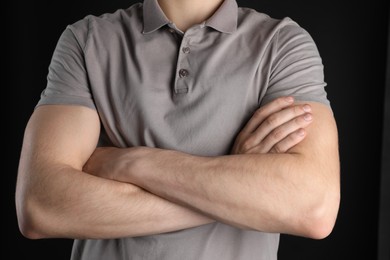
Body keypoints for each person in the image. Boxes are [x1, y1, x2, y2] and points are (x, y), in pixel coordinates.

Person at [15, 0, 340, 259]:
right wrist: (236, 189)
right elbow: (40, 206)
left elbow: (314, 208)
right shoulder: (86, 39)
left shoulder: (281, 44)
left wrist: (127, 163)